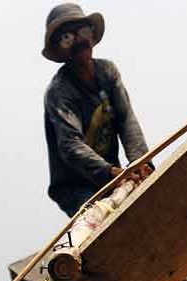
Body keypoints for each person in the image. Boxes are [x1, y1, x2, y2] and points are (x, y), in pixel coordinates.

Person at [42, 3, 152, 217]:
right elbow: (70, 145)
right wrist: (110, 173)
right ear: (60, 48)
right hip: (77, 188)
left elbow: (126, 120)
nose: (79, 42)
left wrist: (140, 163)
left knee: (149, 203)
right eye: (68, 38)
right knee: (104, 223)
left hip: (114, 176)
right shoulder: (60, 93)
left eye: (82, 32)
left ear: (91, 35)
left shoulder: (107, 73)